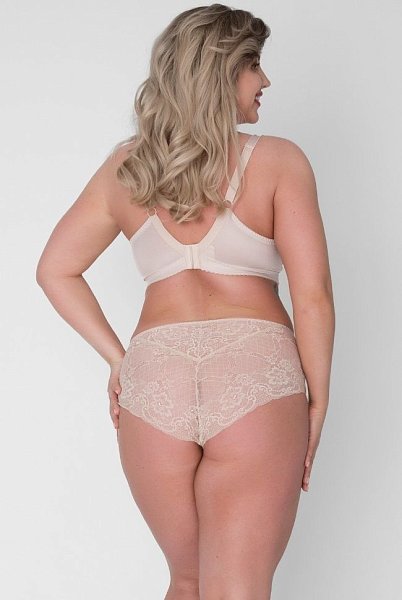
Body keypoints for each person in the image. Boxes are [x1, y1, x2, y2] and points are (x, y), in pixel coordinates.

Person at [36, 4, 335, 599]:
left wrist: (119, 361)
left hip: (156, 378)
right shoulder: (279, 160)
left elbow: (55, 270)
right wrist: (318, 399)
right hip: (254, 371)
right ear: (222, 72)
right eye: (254, 64)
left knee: (188, 581)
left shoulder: (129, 168)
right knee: (238, 588)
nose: (265, 80)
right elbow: (313, 296)